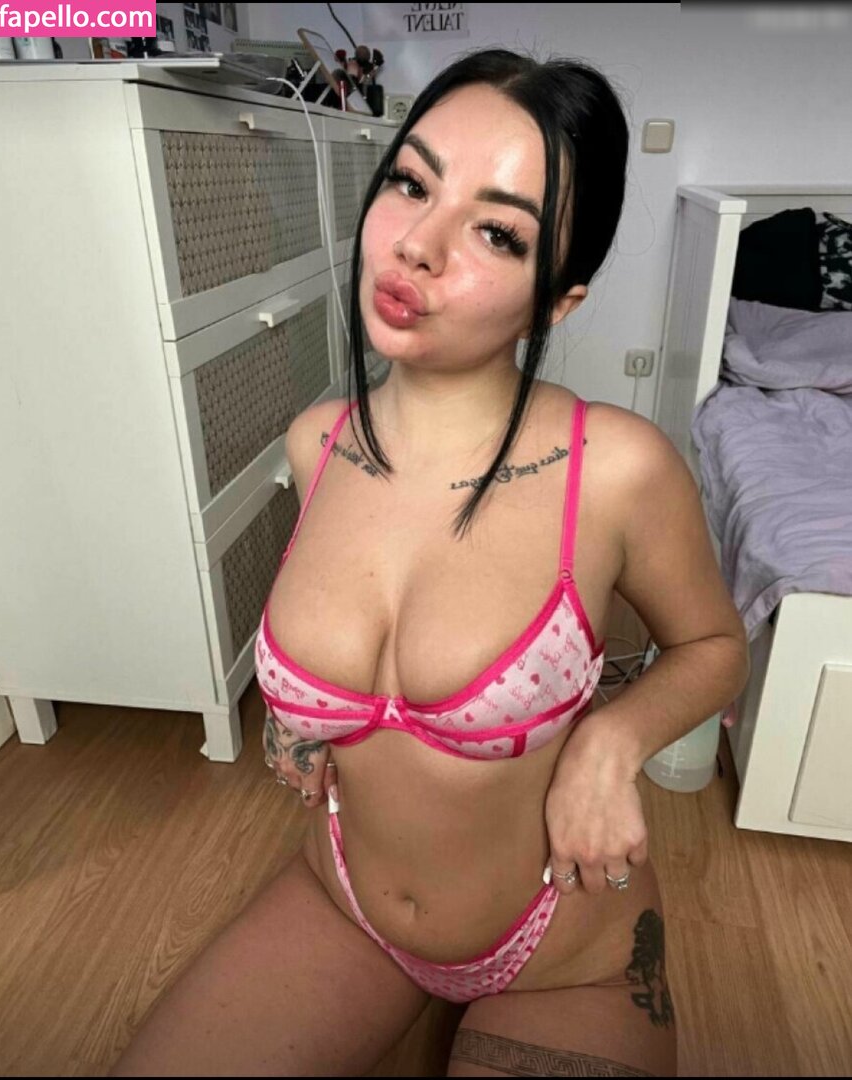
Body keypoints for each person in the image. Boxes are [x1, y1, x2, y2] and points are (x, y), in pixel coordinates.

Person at [108, 47, 749, 1077]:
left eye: (498, 232)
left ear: (558, 301)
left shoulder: (616, 469)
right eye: (411, 183)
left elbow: (715, 645)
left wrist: (609, 741)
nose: (418, 244)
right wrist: (307, 719)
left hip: (567, 955)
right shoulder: (315, 442)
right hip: (343, 903)